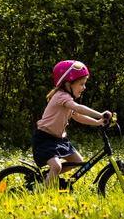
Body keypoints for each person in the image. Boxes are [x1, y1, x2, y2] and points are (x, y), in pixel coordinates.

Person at [33, 59, 112, 189]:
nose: (84, 87)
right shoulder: (61, 97)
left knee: (78, 162)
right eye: (81, 84)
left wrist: (98, 122)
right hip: (44, 139)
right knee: (56, 166)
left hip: (59, 139)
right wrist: (100, 114)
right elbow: (79, 108)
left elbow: (78, 116)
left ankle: (48, 177)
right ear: (68, 84)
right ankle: (42, 193)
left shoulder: (67, 100)